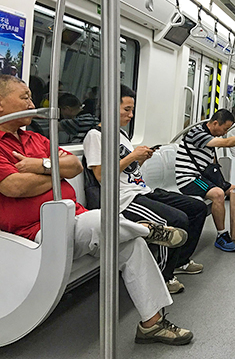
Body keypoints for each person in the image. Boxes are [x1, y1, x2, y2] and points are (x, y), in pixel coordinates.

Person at [0, 75, 193, 345]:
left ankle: (152, 324)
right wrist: (55, 173)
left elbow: (74, 167)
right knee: (102, 220)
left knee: (131, 244)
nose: (32, 103)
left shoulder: (35, 139)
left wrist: (38, 166)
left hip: (74, 221)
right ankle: (147, 229)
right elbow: (14, 187)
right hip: (32, 234)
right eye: (24, 98)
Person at [83, 85, 207, 294]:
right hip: (123, 199)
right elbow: (102, 175)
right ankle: (163, 277)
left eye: (132, 110)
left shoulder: (122, 135)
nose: (131, 115)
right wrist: (132, 156)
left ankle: (180, 261)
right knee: (177, 220)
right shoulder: (96, 136)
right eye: (126, 110)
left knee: (197, 208)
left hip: (142, 190)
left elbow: (127, 170)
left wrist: (139, 159)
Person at [175, 108, 235, 252]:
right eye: (225, 129)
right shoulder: (197, 133)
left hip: (202, 177)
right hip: (188, 178)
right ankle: (221, 235)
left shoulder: (208, 133)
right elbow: (228, 143)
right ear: (215, 123)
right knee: (218, 194)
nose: (225, 133)